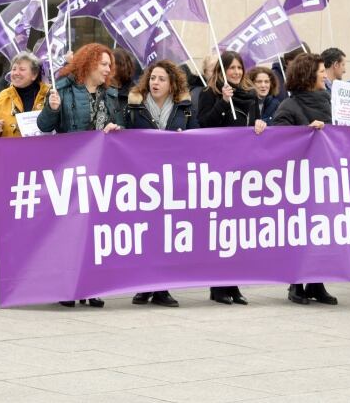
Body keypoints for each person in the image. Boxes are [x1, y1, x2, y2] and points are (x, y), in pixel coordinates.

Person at [38, 43, 125, 308]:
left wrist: (115, 127)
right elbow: (44, 126)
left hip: (99, 169)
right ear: (88, 63)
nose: (109, 69)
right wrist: (52, 109)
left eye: (110, 65)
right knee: (70, 229)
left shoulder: (110, 93)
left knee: (94, 230)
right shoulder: (62, 88)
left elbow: (119, 124)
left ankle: (91, 285)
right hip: (71, 168)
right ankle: (67, 287)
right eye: (104, 64)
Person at [125, 60, 197, 308]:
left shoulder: (184, 107)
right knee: (144, 233)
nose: (155, 82)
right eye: (152, 78)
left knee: (165, 233)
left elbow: (198, 135)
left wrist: (186, 139)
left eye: (161, 79)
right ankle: (144, 286)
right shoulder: (134, 105)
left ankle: (162, 287)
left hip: (171, 179)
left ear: (172, 84)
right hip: (141, 178)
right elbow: (122, 133)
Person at [270, 53, 340, 306]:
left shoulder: (332, 102)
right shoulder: (289, 107)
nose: (325, 74)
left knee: (323, 233)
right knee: (301, 232)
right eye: (321, 71)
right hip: (300, 182)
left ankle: (317, 282)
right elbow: (277, 142)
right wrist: (306, 133)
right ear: (309, 75)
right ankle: (296, 283)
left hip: (327, 179)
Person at [197, 50, 262, 306]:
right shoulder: (208, 95)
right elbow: (205, 124)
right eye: (231, 68)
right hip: (218, 167)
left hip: (242, 169)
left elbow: (255, 123)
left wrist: (260, 126)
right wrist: (223, 102)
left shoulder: (250, 96)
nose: (235, 72)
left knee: (237, 229)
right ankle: (218, 285)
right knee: (219, 228)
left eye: (239, 68)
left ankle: (234, 283)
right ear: (221, 71)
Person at [0, 51, 51, 138]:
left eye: (22, 69)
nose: (16, 73)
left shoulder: (49, 95)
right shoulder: (3, 96)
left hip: (43, 149)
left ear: (34, 74)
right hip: (11, 150)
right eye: (14, 69)